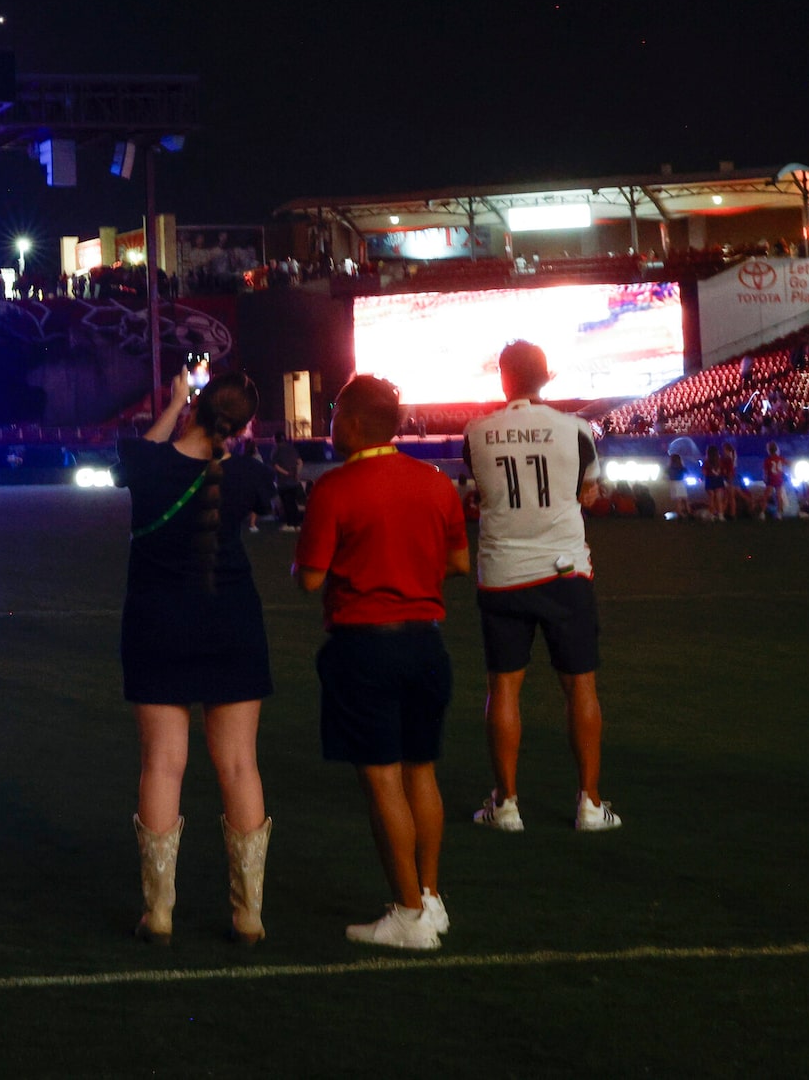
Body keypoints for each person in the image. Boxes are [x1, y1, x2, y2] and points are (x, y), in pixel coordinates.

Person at [294, 375, 469, 951]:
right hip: (427, 642)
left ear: (350, 421)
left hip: (365, 645)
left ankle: (408, 913)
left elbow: (311, 578)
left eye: (334, 413)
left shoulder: (336, 489)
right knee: (422, 770)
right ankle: (432, 898)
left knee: (382, 778)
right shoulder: (436, 483)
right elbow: (460, 562)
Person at [118, 366, 278, 944]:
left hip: (157, 626)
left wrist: (176, 403)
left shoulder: (148, 465)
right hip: (231, 623)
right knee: (239, 764)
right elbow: (251, 498)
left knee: (162, 762)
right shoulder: (252, 476)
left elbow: (144, 454)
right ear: (243, 424)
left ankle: (158, 914)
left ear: (198, 406)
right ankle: (249, 915)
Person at [462, 342, 621, 837]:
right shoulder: (577, 430)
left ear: (503, 378)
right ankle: (590, 804)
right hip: (564, 569)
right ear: (547, 376)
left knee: (504, 688)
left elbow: (478, 492)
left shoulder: (478, 432)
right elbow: (587, 492)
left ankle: (506, 803)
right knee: (580, 686)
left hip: (504, 571)